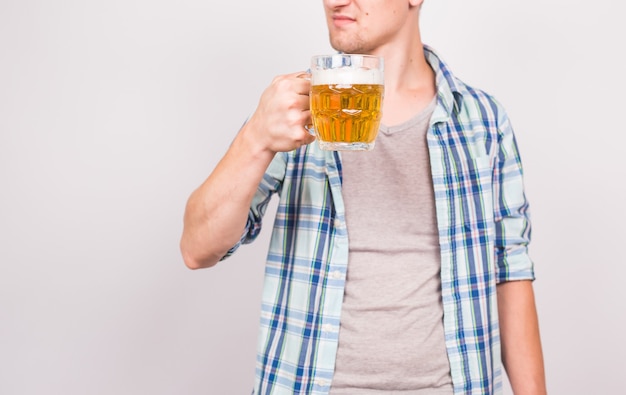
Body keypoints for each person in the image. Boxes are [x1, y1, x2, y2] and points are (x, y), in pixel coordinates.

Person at [180, 0, 547, 394]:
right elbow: (197, 249)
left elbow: (510, 272)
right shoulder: (294, 113)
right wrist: (254, 139)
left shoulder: (482, 120)